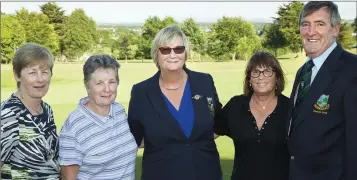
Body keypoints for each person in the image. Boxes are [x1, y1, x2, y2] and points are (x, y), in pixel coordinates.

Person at [127, 24, 222, 180]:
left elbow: (218, 122)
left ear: (185, 52)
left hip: (206, 173)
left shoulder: (204, 81)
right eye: (165, 49)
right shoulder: (141, 92)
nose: (173, 55)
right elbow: (134, 139)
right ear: (156, 54)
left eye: (179, 49)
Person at [287, 1, 357, 180]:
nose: (311, 32)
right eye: (305, 24)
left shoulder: (352, 70)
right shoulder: (303, 71)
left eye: (320, 24)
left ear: (335, 29)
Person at [59, 54, 138, 180]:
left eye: (111, 82)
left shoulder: (119, 111)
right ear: (87, 85)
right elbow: (68, 177)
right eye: (99, 83)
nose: (107, 89)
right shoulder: (73, 127)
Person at [214, 51, 290, 180]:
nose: (261, 76)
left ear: (277, 78)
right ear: (249, 79)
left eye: (267, 71)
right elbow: (206, 135)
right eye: (255, 72)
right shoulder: (236, 106)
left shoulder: (290, 108)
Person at [0, 43, 60, 179]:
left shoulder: (46, 110)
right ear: (17, 75)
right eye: (32, 72)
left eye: (44, 72)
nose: (40, 79)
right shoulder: (8, 115)